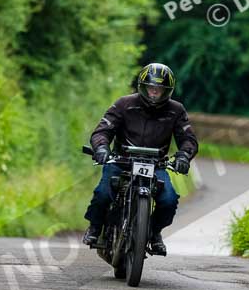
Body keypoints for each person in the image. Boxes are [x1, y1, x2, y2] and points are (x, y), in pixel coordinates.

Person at [82, 63, 198, 255]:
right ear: (142, 86)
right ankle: (95, 227)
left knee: (169, 199)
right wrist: (102, 148)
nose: (154, 93)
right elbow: (102, 130)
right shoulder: (123, 104)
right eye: (151, 88)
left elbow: (188, 139)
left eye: (159, 89)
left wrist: (184, 156)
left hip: (156, 165)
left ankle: (153, 232)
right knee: (103, 192)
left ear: (167, 91)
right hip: (121, 161)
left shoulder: (176, 110)